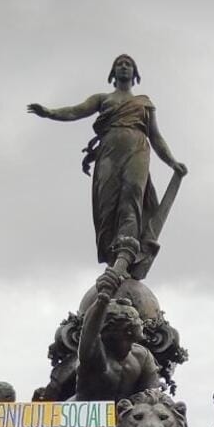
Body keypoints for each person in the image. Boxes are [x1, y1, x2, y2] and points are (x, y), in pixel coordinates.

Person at [27, 53, 187, 274]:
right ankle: (113, 257)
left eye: (128, 64)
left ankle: (125, 256)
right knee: (107, 205)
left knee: (132, 196)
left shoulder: (144, 103)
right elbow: (75, 111)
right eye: (119, 64)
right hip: (109, 153)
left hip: (137, 149)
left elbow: (156, 136)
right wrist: (49, 113)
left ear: (135, 73)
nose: (124, 67)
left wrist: (172, 162)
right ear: (113, 73)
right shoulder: (103, 99)